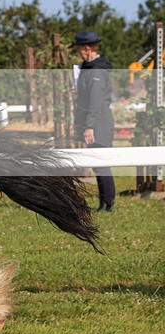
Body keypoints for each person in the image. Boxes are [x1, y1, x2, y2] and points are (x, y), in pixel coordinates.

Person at [71, 31, 116, 212]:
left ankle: (108, 203)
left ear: (87, 48)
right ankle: (104, 202)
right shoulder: (88, 67)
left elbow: (95, 101)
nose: (79, 53)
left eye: (80, 49)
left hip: (99, 122)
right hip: (93, 120)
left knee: (102, 164)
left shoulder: (96, 70)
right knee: (98, 164)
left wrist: (89, 126)